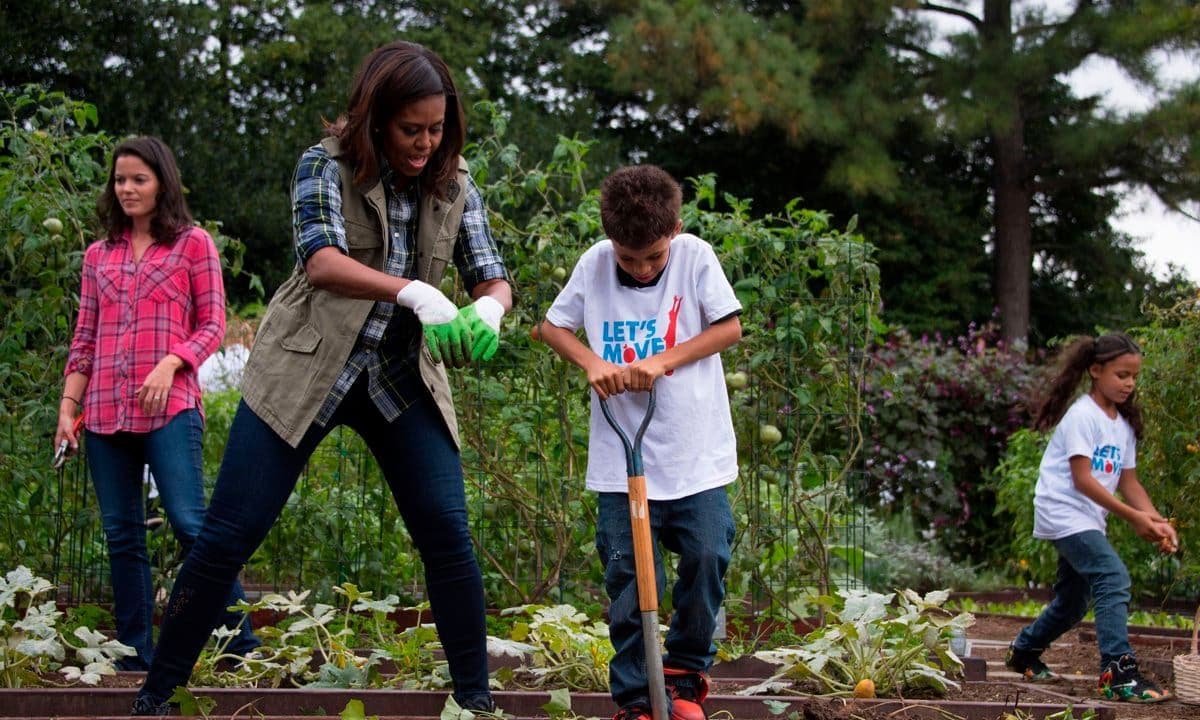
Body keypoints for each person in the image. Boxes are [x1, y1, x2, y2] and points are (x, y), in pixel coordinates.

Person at [131, 41, 511, 715]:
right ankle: (156, 695)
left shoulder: (455, 181)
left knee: (447, 533)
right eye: (410, 129)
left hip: (399, 377)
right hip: (306, 369)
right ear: (375, 118)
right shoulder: (323, 166)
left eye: (436, 128)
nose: (425, 142)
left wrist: (488, 307)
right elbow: (323, 263)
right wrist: (416, 293)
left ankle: (476, 703)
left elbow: (492, 273)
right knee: (227, 535)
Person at [534, 165, 742, 720]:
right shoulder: (595, 264)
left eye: (653, 256)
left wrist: (661, 361)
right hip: (618, 457)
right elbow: (551, 327)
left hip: (692, 453)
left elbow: (729, 328)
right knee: (625, 576)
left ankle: (682, 674)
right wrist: (594, 363)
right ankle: (635, 698)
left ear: (674, 229)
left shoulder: (695, 257)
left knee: (706, 552)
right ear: (610, 241)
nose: (642, 268)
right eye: (629, 258)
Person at [55, 136, 260, 671]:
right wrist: (66, 409)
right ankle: (133, 654)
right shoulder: (98, 255)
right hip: (102, 412)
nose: (127, 189)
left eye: (138, 179)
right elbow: (84, 339)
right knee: (122, 536)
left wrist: (172, 363)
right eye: (120, 180)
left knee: (191, 523)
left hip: (169, 410)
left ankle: (241, 644)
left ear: (161, 182)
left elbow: (213, 323)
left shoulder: (193, 245)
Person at [1004, 332, 1176, 703]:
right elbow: (1083, 480)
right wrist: (1134, 518)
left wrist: (1157, 521)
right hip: (1063, 512)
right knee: (1112, 575)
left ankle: (1024, 651)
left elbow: (1129, 483)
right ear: (1096, 370)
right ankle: (1117, 672)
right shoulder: (1083, 416)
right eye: (1121, 374)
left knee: (1073, 602)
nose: (1129, 383)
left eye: (1134, 376)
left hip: (1087, 518)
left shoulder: (1123, 424)